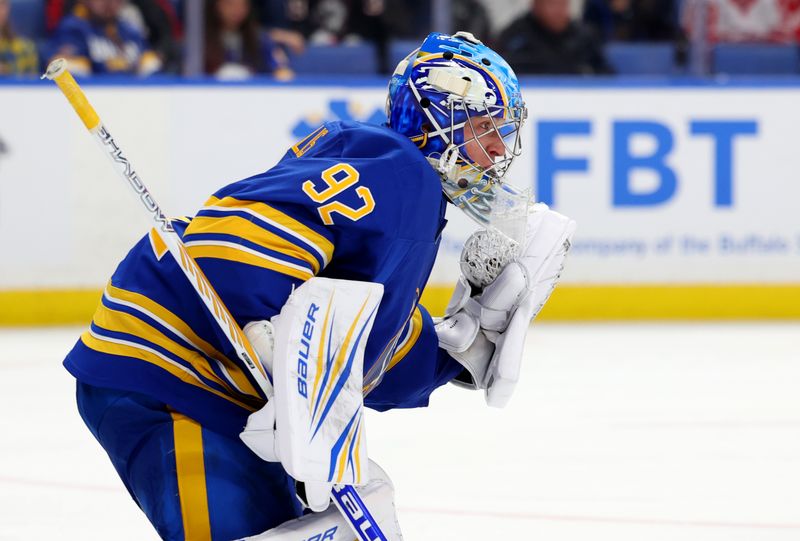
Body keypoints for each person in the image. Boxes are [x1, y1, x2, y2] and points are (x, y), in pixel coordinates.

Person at [62, 31, 574, 540]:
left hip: (211, 392)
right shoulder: (402, 177)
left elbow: (357, 350)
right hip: (169, 371)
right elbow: (230, 250)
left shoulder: (398, 184)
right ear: (438, 118)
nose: (495, 150)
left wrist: (451, 356)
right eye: (485, 127)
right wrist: (267, 339)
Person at [496, 0, 613, 75]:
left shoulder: (583, 36)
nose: (559, 11)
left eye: (563, 5)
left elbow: (605, 72)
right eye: (552, 4)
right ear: (536, 5)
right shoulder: (517, 35)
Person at [49, 0, 162, 76]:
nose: (109, 3)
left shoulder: (130, 30)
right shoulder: (73, 27)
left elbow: (151, 64)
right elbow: (64, 66)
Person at [204, 0, 292, 79]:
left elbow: (282, 71)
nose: (236, 10)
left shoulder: (260, 39)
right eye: (230, 4)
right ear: (217, 5)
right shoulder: (201, 41)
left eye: (242, 5)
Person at [0, 0, 39, 77]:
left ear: (8, 9)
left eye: (1, 5)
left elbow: (32, 85)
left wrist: (8, 71)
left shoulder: (25, 49)